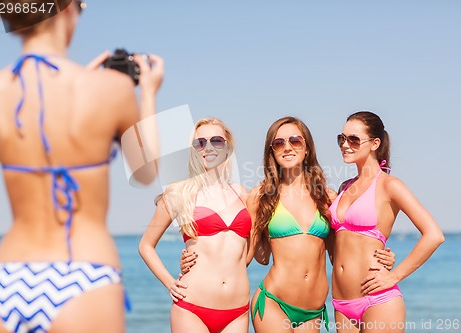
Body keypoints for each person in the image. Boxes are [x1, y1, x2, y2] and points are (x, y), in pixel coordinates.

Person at [0, 1, 164, 332]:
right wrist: (148, 94)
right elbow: (146, 171)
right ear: (68, 9)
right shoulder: (111, 90)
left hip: (6, 273)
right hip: (84, 269)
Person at [181, 116, 395, 333]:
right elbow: (250, 256)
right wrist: (198, 265)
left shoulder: (328, 198)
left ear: (307, 149)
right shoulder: (261, 196)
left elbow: (340, 252)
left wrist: (379, 255)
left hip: (312, 311)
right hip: (273, 302)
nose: (287, 147)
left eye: (295, 141)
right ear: (272, 151)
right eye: (278, 143)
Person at [329, 111, 444, 332]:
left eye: (353, 139)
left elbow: (434, 234)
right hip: (342, 305)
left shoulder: (389, 185)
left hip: (378, 301)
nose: (345, 144)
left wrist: (395, 275)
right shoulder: (344, 188)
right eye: (341, 138)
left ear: (374, 143)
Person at [139, 118, 252, 333]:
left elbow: (248, 251)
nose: (208, 147)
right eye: (200, 143)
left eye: (216, 141)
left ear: (227, 147)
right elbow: (146, 245)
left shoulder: (243, 194)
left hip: (237, 311)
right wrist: (170, 282)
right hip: (192, 308)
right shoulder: (179, 193)